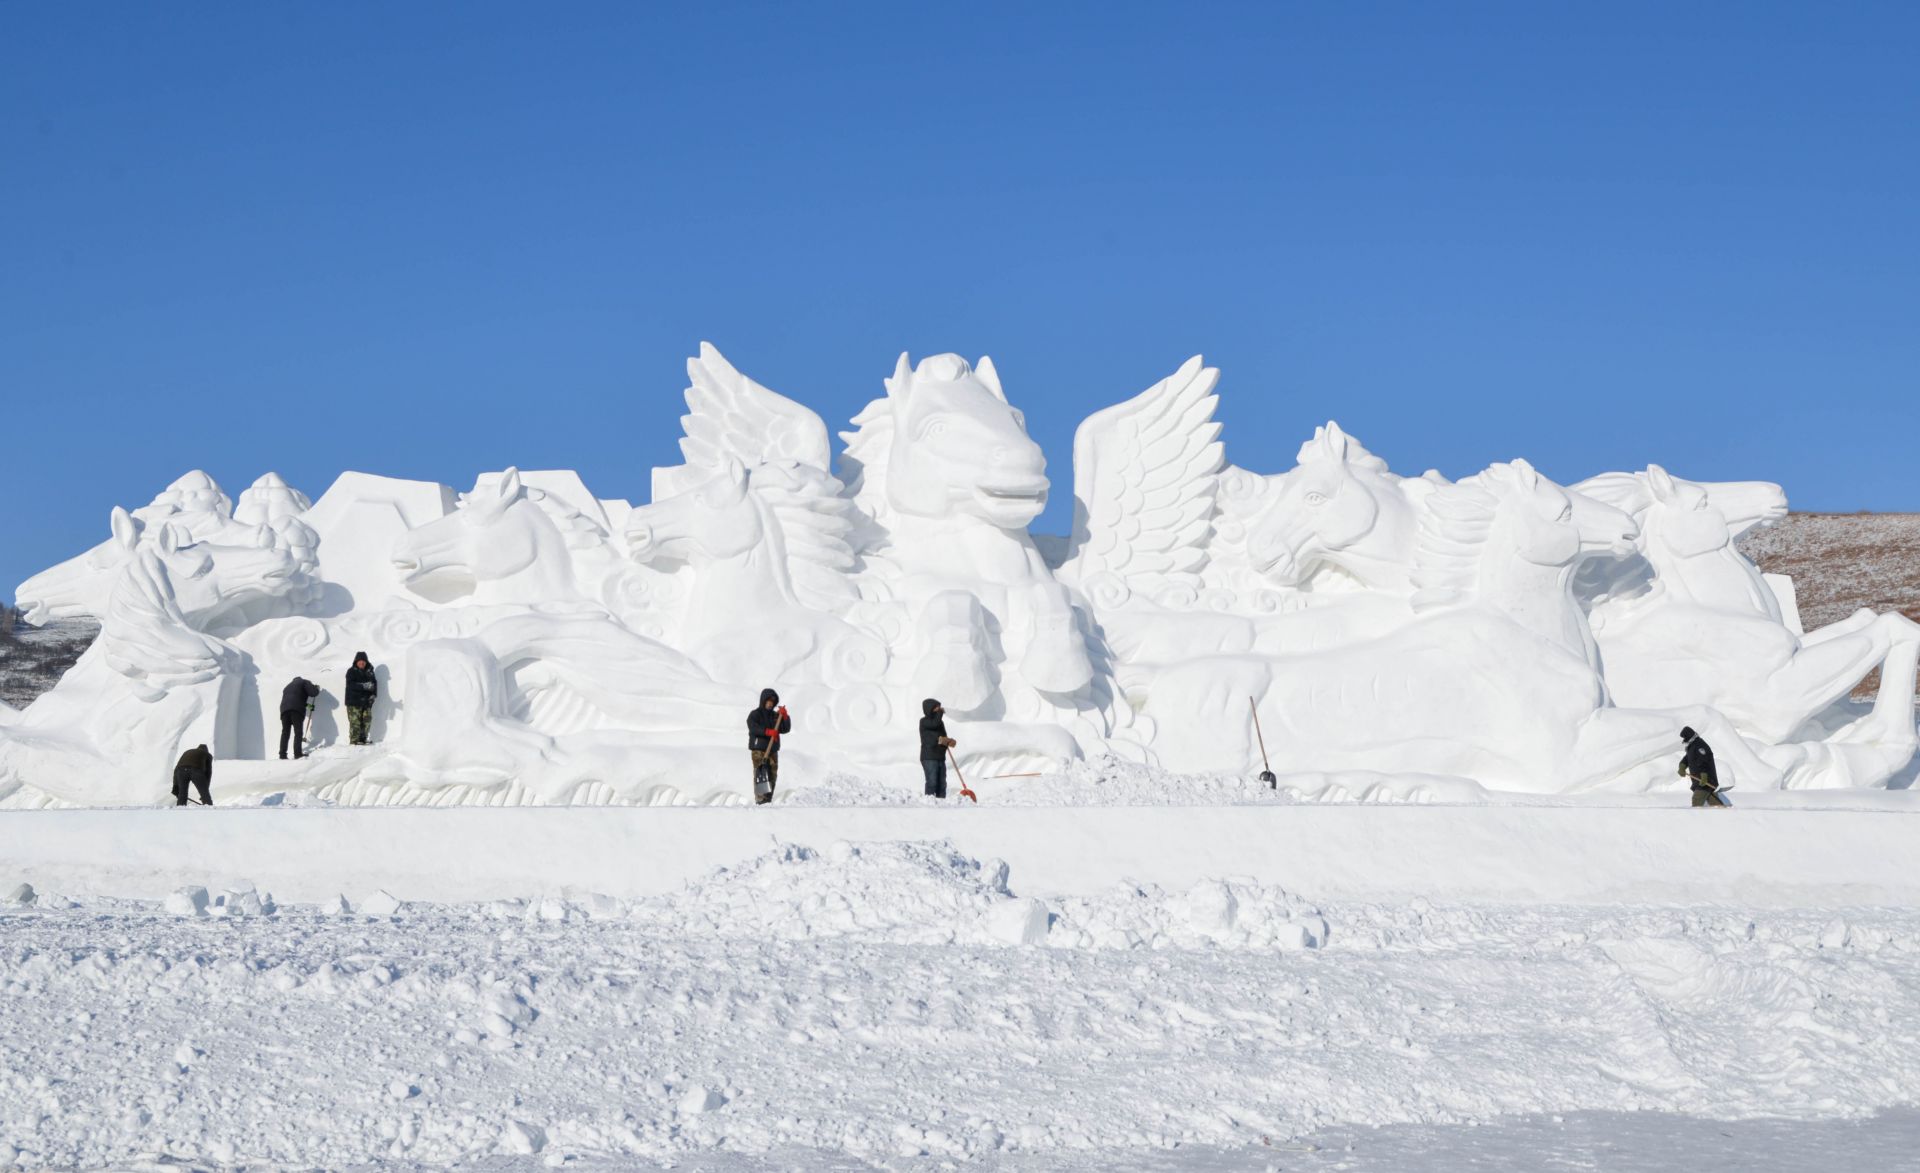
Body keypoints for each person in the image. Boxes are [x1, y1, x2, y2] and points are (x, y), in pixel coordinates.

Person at [746, 688, 791, 804]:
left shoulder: (775, 716)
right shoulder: (755, 714)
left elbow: (785, 728)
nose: (770, 703)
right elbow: (753, 727)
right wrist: (767, 732)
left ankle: (767, 801)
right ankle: (761, 800)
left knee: (772, 776)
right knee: (762, 774)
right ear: (763, 700)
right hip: (759, 750)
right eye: (768, 701)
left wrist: (785, 717)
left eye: (773, 702)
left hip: (772, 751)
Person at [1679, 726, 1729, 808]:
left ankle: (1696, 816)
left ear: (1689, 737)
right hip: (1700, 780)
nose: (1684, 740)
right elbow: (1687, 758)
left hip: (1706, 780)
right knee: (1715, 805)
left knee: (1697, 800)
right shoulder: (1692, 746)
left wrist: (1704, 775)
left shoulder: (1700, 746)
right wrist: (1682, 766)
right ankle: (1726, 814)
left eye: (1685, 737)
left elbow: (1704, 760)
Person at [919, 698, 957, 799]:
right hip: (929, 756)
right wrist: (940, 713)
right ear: (929, 708)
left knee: (942, 783)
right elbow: (934, 724)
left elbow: (943, 735)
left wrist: (948, 741)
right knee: (932, 782)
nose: (939, 708)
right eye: (936, 707)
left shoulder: (940, 722)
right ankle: (930, 802)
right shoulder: (924, 721)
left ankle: (941, 803)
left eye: (939, 707)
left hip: (940, 756)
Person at [279, 676, 320, 760]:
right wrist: (316, 688)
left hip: (284, 710)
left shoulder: (287, 687)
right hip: (296, 710)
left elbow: (296, 700)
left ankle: (282, 755)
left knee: (285, 733)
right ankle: (297, 754)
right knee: (298, 732)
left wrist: (309, 706)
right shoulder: (304, 682)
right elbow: (313, 693)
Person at [344, 651, 379, 746]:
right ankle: (354, 741)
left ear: (366, 662)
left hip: (366, 702)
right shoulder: (351, 671)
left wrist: (373, 695)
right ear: (356, 661)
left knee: (367, 720)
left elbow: (374, 684)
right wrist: (363, 686)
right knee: (355, 722)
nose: (362, 663)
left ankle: (363, 739)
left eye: (364, 661)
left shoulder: (370, 672)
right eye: (360, 661)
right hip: (354, 702)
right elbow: (350, 685)